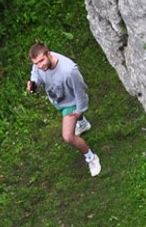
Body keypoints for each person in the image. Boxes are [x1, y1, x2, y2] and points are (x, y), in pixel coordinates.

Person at [26, 42, 101, 177]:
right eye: (36, 63)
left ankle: (91, 157)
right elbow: (35, 73)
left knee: (68, 136)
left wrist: (79, 110)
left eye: (41, 61)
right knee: (74, 123)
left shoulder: (69, 70)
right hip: (59, 100)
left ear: (49, 54)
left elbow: (81, 91)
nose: (39, 66)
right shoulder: (40, 64)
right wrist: (34, 83)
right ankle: (83, 124)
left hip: (70, 103)